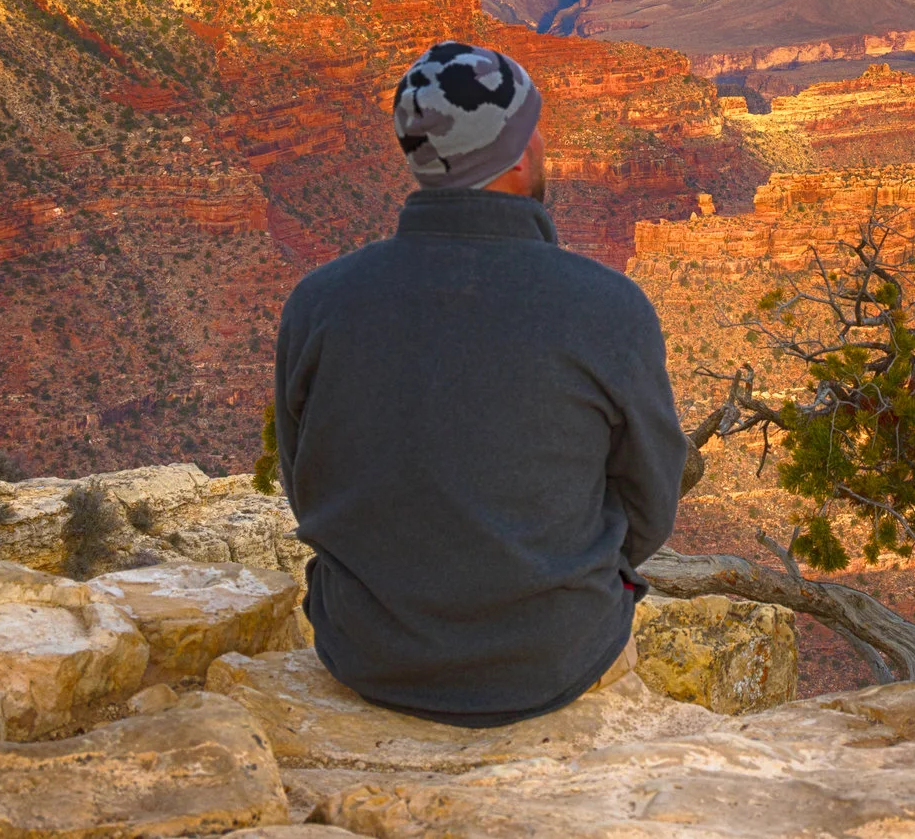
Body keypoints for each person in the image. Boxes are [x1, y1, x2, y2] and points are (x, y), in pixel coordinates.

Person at [273, 39, 686, 724]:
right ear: (518, 156)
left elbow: (304, 481)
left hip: (368, 649)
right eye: (534, 128)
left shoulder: (319, 302)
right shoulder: (608, 308)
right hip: (551, 654)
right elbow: (651, 503)